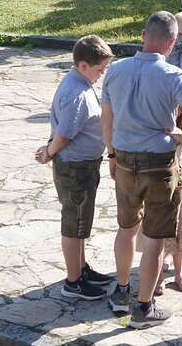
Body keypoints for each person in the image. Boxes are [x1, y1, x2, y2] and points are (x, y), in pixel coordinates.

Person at [100, 11, 182, 328]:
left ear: (142, 35)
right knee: (153, 239)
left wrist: (110, 155)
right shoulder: (174, 76)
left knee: (125, 229)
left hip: (123, 160)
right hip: (159, 166)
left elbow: (106, 118)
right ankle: (144, 308)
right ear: (173, 42)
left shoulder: (115, 71)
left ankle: (121, 293)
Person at [34, 35, 116, 300]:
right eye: (99, 69)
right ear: (83, 65)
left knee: (82, 222)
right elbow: (64, 134)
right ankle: (73, 282)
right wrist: (48, 152)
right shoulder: (76, 93)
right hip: (75, 166)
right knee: (74, 223)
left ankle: (80, 268)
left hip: (83, 164)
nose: (101, 74)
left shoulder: (81, 83)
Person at [134, 130, 182, 295]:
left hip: (179, 182)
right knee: (158, 231)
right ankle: (159, 275)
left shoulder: (179, 132)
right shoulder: (152, 130)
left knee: (180, 229)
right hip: (157, 182)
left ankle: (179, 274)